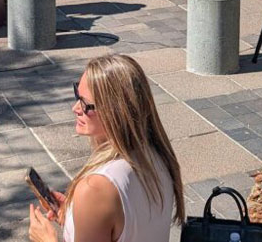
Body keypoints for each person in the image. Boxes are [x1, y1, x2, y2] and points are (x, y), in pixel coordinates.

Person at [27, 55, 184, 242]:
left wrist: (46, 240)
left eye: (86, 104)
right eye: (77, 95)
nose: (75, 108)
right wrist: (74, 217)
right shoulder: (157, 154)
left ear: (115, 111)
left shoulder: (95, 188)